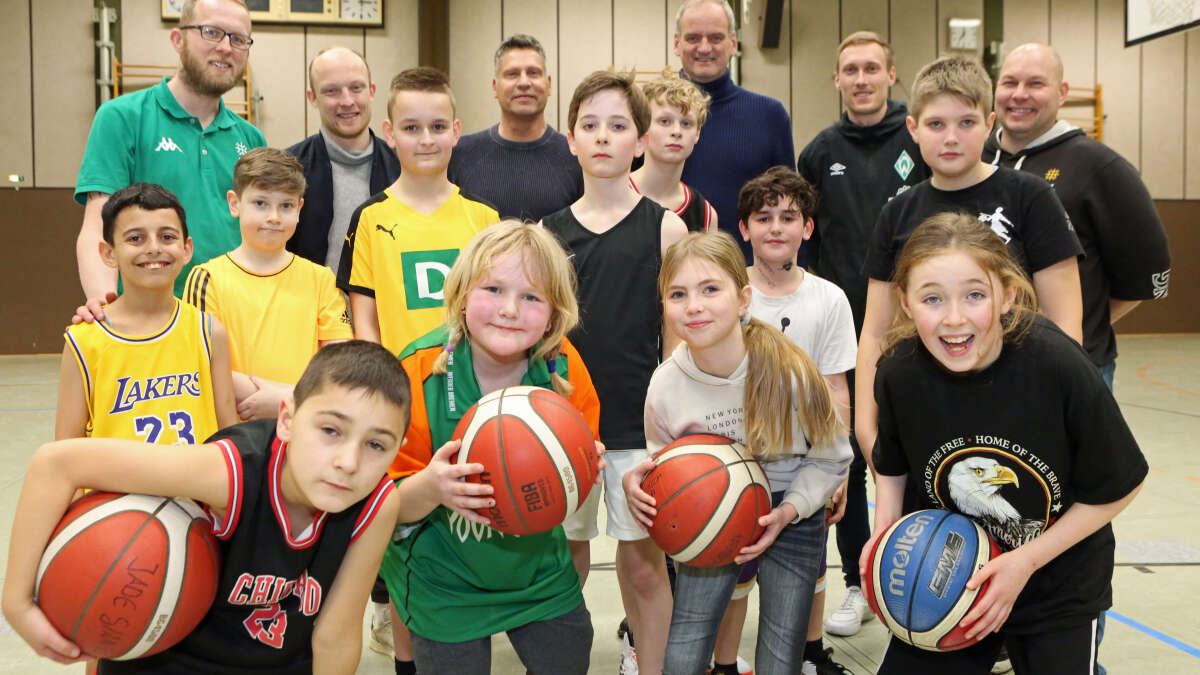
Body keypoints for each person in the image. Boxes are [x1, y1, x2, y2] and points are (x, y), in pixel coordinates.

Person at [2, 340, 414, 674]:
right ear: (287, 420)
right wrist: (17, 603)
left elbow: (336, 636)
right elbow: (57, 464)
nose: (349, 462)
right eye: (330, 430)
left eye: (375, 445)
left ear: (398, 449)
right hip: (169, 661)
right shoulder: (231, 474)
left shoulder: (377, 503)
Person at [863, 212, 1146, 674]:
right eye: (932, 298)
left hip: (1055, 582)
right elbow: (892, 464)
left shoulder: (1057, 365)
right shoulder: (899, 373)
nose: (954, 319)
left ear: (1008, 295)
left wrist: (1025, 561)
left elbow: (1120, 484)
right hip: (947, 578)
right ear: (906, 303)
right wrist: (883, 536)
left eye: (975, 295)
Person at [622, 231, 852, 675]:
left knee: (780, 657)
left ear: (743, 299)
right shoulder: (665, 384)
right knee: (684, 652)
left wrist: (793, 508)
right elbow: (663, 467)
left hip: (791, 512)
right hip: (709, 513)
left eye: (710, 289)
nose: (694, 306)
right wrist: (638, 482)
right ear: (664, 306)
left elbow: (832, 456)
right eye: (678, 294)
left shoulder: (789, 370)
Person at [379, 220, 604, 675]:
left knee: (569, 656)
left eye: (532, 297)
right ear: (461, 295)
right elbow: (386, 508)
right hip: (443, 576)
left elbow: (576, 480)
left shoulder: (563, 367)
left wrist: (583, 468)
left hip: (537, 569)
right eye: (493, 289)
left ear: (554, 313)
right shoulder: (416, 371)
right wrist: (432, 487)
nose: (509, 310)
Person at [855, 55, 1083, 478]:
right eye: (936, 124)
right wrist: (866, 427)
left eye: (966, 123)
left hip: (1016, 403)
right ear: (913, 128)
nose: (951, 138)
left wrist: (1051, 412)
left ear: (989, 123)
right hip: (925, 411)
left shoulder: (1030, 197)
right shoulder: (897, 213)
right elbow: (875, 331)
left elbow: (1065, 325)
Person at [542, 70, 688, 675]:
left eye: (618, 125)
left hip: (639, 432)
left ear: (641, 141)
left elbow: (677, 345)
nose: (603, 136)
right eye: (590, 125)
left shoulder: (666, 227)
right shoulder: (547, 234)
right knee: (563, 563)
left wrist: (669, 433)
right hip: (566, 430)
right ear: (570, 139)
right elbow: (541, 340)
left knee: (644, 567)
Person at [796, 30, 929, 642]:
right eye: (850, 69)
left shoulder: (919, 140)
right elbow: (809, 243)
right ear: (837, 80)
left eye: (872, 68)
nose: (861, 78)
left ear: (891, 75)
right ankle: (857, 581)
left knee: (917, 454)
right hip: (844, 341)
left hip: (921, 334)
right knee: (847, 458)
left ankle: (920, 574)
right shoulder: (820, 151)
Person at [985, 43, 1171, 391]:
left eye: (1035, 83)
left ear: (1062, 92)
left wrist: (1076, 324)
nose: (1019, 94)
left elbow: (1145, 274)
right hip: (979, 365)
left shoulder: (1101, 167)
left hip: (1075, 367)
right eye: (1009, 82)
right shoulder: (972, 157)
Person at [75, 0, 266, 313]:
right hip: (150, 320)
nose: (225, 48)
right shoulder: (122, 117)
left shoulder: (251, 139)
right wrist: (105, 305)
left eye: (238, 39)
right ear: (178, 39)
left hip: (235, 318)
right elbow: (98, 226)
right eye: (211, 32)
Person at [738, 167, 856, 674]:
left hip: (805, 463)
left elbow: (835, 387)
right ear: (744, 228)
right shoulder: (727, 294)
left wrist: (839, 469)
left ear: (807, 228)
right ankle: (724, 662)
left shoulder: (829, 298)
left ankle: (810, 652)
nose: (775, 228)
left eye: (788, 217)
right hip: (739, 460)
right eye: (763, 217)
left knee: (809, 561)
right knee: (734, 570)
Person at [57, 182, 238, 444]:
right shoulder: (83, 341)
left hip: (195, 472)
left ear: (187, 249)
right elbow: (66, 450)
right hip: (115, 474)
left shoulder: (209, 332)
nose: (153, 248)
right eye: (135, 238)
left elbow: (230, 437)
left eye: (167, 237)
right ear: (108, 253)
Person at [337, 67, 500, 356]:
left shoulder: (485, 218)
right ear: (390, 133)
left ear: (455, 132)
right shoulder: (370, 219)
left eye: (438, 127)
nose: (426, 139)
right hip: (396, 378)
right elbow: (366, 324)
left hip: (471, 378)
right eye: (411, 128)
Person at [184, 147, 352, 421]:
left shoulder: (321, 279)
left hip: (303, 425)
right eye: (260, 203)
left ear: (299, 208)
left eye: (285, 205)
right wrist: (284, 399)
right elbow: (201, 364)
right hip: (235, 429)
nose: (274, 216)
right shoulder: (206, 278)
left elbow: (339, 362)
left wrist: (290, 401)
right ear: (234, 204)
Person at [674, 0, 794, 260]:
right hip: (665, 271)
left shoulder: (770, 116)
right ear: (676, 44)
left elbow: (790, 208)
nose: (704, 48)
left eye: (715, 38)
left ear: (733, 44)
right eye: (693, 38)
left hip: (748, 273)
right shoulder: (648, 116)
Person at [286, 47, 402, 276]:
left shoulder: (403, 168)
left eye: (356, 88)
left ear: (371, 91)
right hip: (307, 299)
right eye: (332, 91)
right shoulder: (288, 170)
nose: (347, 101)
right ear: (312, 98)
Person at [448, 34, 583, 222]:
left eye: (533, 73)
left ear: (549, 84)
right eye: (512, 74)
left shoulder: (576, 156)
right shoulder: (459, 155)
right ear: (495, 87)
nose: (524, 82)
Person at [630, 76, 718, 233]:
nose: (677, 131)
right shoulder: (611, 193)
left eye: (686, 123)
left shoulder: (705, 215)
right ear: (643, 127)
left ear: (697, 133)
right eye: (665, 121)